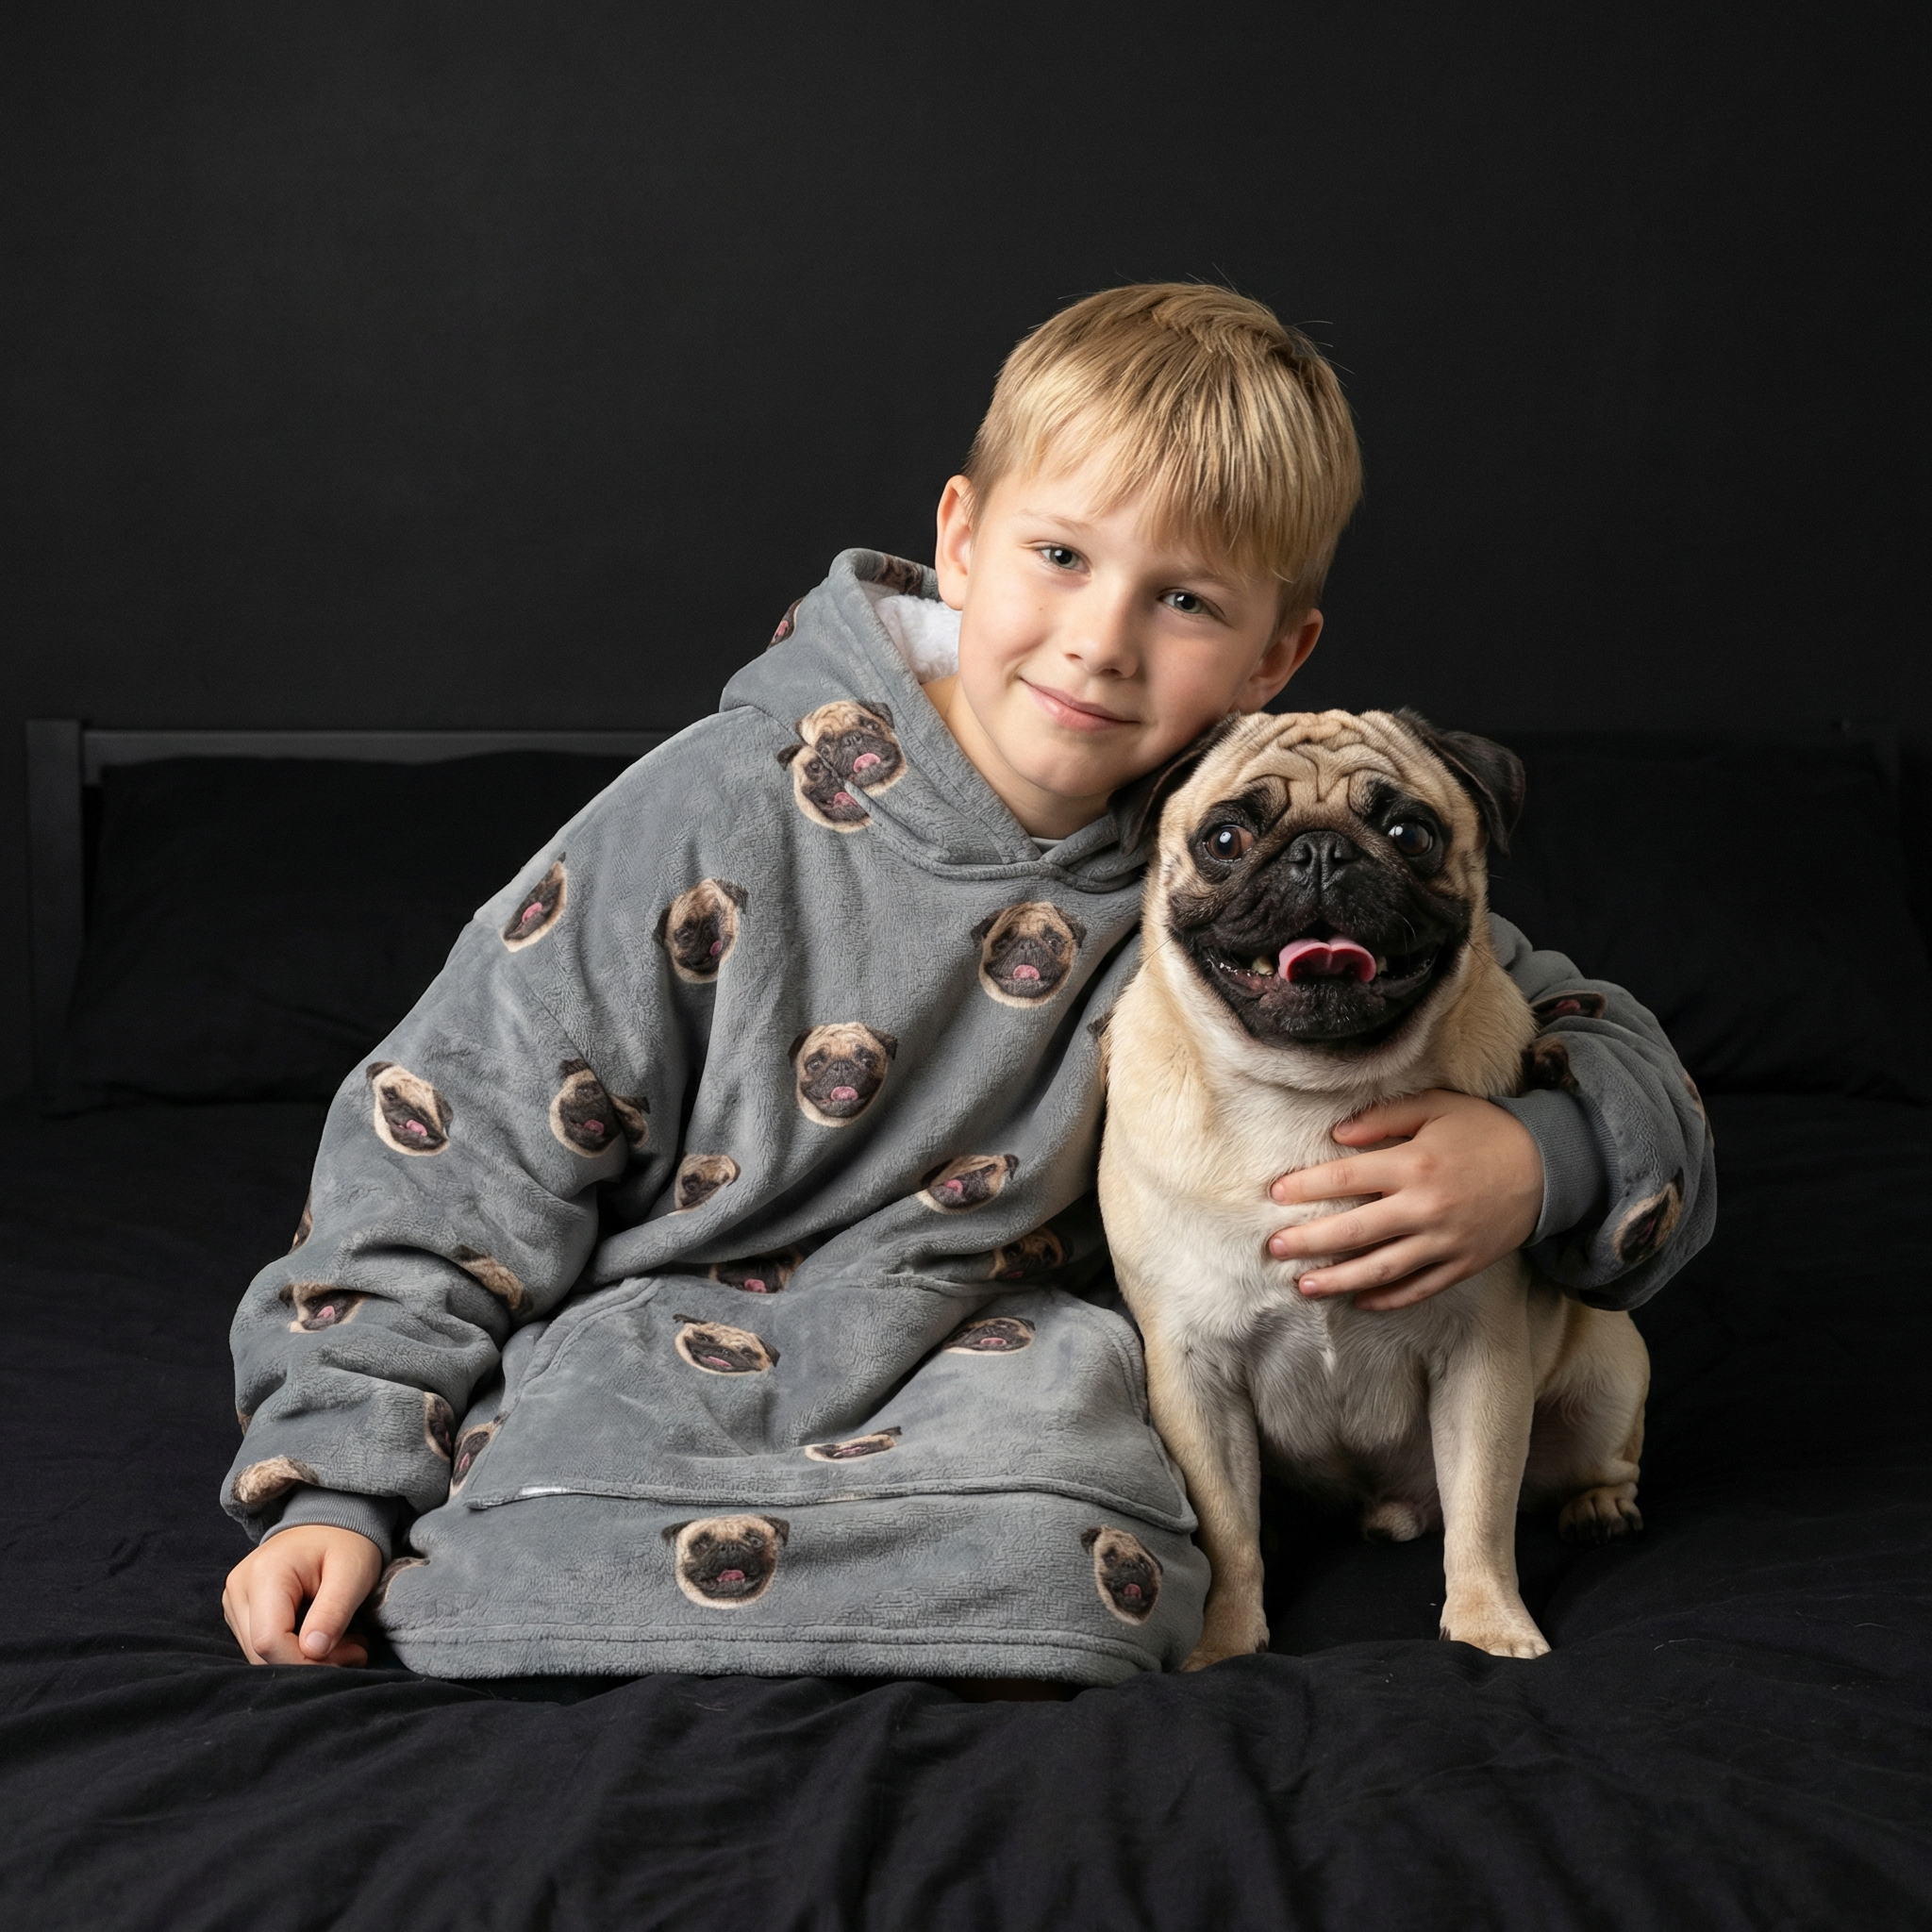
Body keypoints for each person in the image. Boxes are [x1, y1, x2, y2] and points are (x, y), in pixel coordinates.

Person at [220, 284, 1713, 1686]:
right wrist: (337, 1485)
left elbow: (1579, 1027)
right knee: (539, 1501)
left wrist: (1545, 1158)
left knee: (1094, 1556)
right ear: (960, 537)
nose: (1101, 641)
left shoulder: (1228, 852)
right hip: (672, 1334)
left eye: (1186, 601)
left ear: (1277, 655)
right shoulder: (705, 814)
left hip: (997, 1365)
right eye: (1060, 557)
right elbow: (454, 1130)